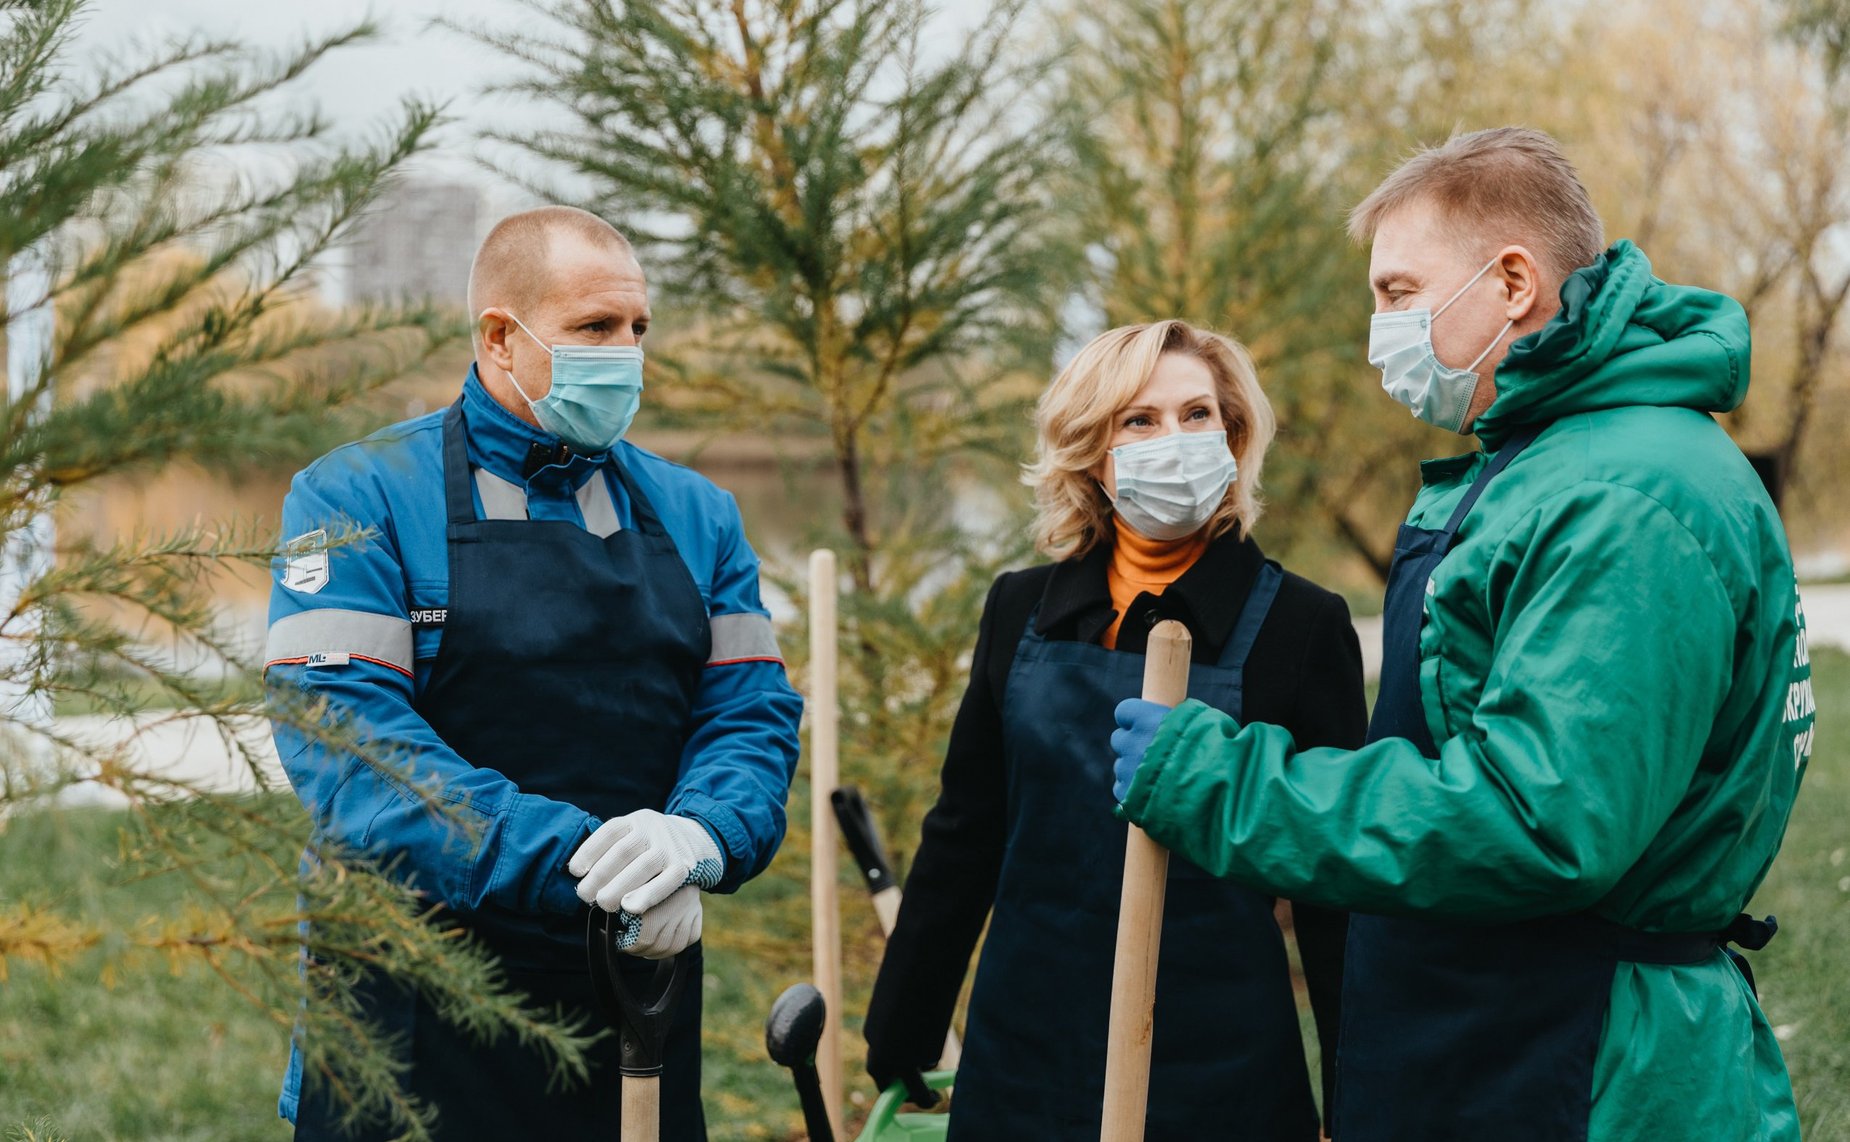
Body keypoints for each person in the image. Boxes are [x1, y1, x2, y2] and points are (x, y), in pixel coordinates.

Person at [1111, 127, 1815, 1142]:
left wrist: (1229, 786)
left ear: (1513, 280)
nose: (1375, 329)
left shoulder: (1618, 496)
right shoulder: (1553, 460)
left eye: (1397, 291)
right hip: (1504, 1020)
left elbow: (1537, 818)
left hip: (1581, 1060)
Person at [264, 205, 803, 1140]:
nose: (625, 354)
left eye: (637, 329)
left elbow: (749, 715)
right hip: (416, 1006)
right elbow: (352, 751)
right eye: (594, 329)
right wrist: (587, 865)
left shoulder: (698, 514)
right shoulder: (358, 497)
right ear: (501, 337)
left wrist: (699, 838)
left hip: (635, 992)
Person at [864, 320, 1366, 1140]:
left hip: (1218, 1064)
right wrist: (904, 1025)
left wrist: (1357, 1088)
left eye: (1198, 414)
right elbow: (967, 831)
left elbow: (1336, 886)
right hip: (1025, 1047)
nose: (1176, 439)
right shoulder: (1021, 609)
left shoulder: (1300, 626)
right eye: (1140, 420)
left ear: (1233, 436)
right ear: (1092, 453)